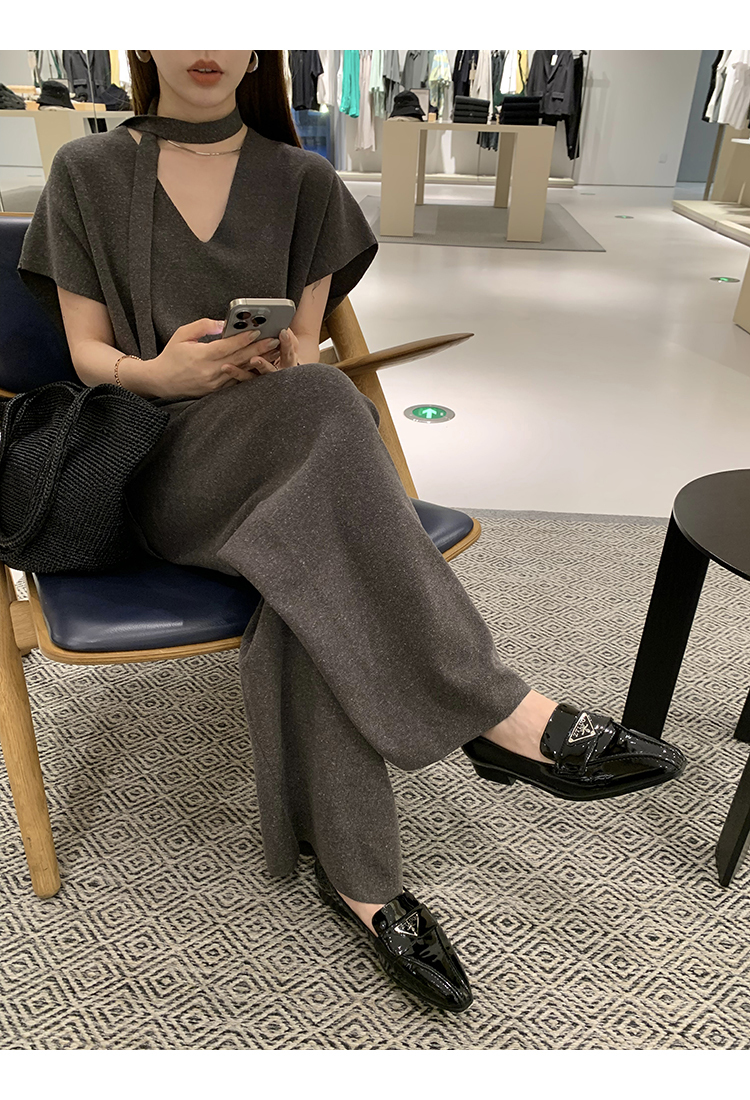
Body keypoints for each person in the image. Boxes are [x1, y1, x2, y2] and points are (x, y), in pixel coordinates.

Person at [17, 50, 687, 1016]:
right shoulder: (88, 171)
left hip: (281, 455)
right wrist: (160, 374)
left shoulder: (304, 181)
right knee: (332, 416)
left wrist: (278, 360)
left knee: (313, 538)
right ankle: (494, 713)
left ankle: (364, 886)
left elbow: (305, 348)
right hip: (156, 466)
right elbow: (87, 356)